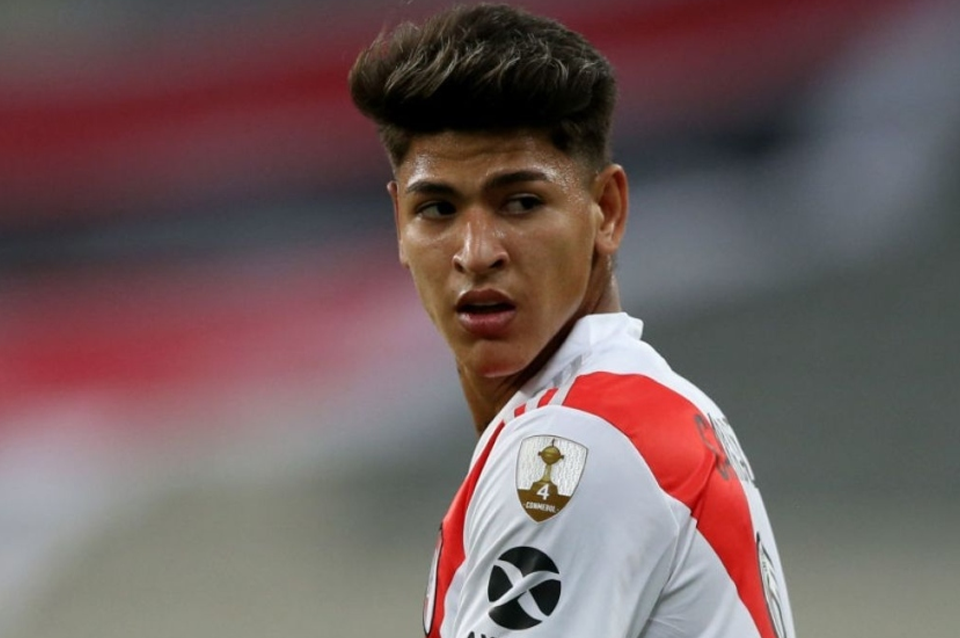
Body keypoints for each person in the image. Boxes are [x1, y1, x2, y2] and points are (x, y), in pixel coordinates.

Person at [348, 4, 794, 637]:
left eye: (521, 203)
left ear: (605, 211)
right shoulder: (641, 410)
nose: (476, 252)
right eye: (438, 209)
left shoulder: (575, 446)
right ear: (400, 224)